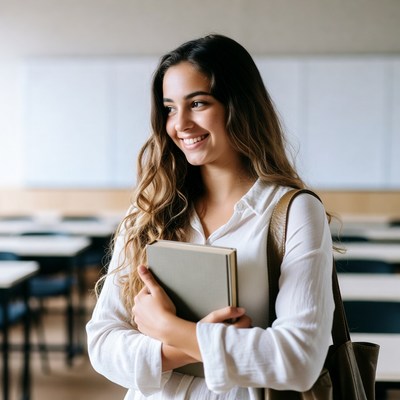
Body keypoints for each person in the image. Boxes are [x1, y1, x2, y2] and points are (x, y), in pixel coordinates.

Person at [86, 34, 335, 400]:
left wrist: (168, 327)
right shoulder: (149, 211)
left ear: (240, 106)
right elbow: (103, 343)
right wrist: (182, 348)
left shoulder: (294, 211)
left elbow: (299, 360)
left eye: (198, 103)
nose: (180, 124)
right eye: (170, 108)